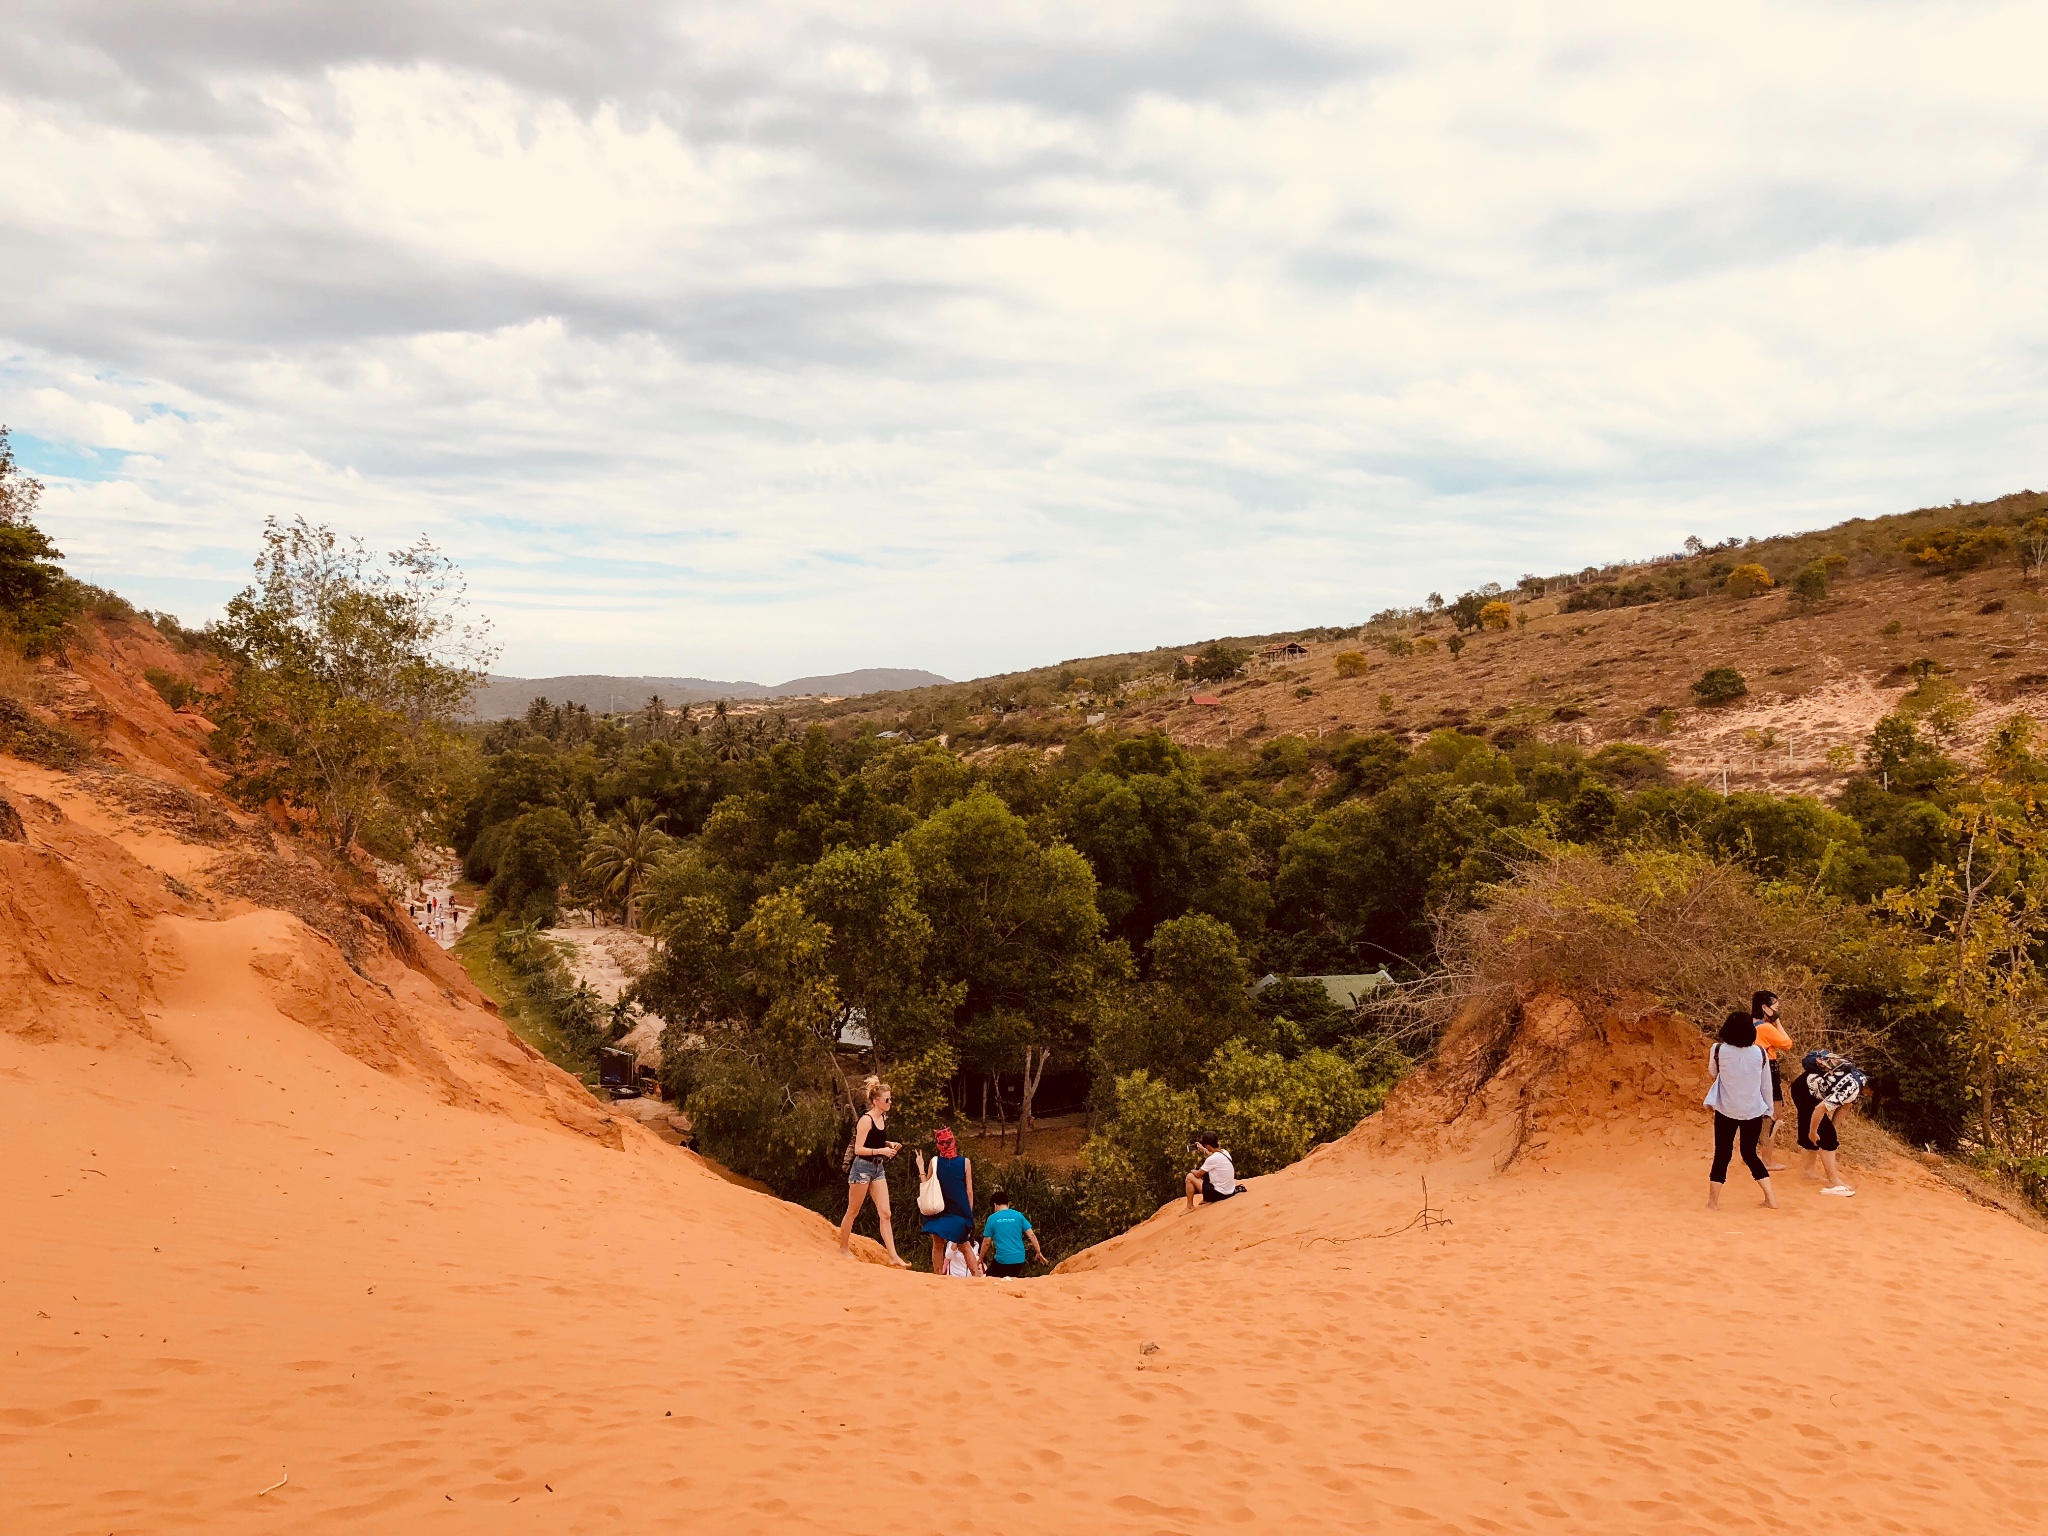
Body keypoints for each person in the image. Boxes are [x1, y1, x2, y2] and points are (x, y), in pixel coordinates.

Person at [1704, 1012, 1778, 1211]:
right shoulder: (1761, 1053)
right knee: (1749, 1153)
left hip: (1726, 1109)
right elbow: (1766, 1085)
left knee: (1722, 1154)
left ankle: (1713, 1203)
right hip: (1752, 1110)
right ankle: (1771, 1198)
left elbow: (1713, 1072)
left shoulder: (1717, 1049)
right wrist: (1769, 1109)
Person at [837, 1077, 910, 1267]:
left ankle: (893, 1255)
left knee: (885, 1213)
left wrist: (888, 1144)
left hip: (877, 1168)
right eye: (887, 1099)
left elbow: (875, 1141)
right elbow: (859, 1149)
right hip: (862, 1168)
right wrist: (882, 1151)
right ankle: (843, 1248)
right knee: (853, 1211)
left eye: (890, 1099)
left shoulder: (882, 1118)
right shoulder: (866, 1120)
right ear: (876, 1101)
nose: (890, 1102)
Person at [915, 1127, 983, 1276]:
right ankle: (977, 1276)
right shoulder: (965, 1162)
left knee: (937, 1244)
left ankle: (938, 1275)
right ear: (953, 1143)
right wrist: (969, 1213)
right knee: (964, 1244)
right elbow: (969, 1190)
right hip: (960, 1210)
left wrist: (920, 1166)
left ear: (939, 1145)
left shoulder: (935, 1162)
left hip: (939, 1209)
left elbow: (926, 1183)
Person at [1792, 1050, 1857, 1197]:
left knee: (1822, 1131)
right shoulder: (1856, 1084)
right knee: (1825, 1136)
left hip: (1803, 1087)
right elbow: (1821, 1108)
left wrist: (1830, 1129)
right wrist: (1818, 1131)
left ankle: (1808, 1172)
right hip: (1805, 1091)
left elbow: (1846, 1106)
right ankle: (1833, 1180)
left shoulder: (1856, 1078)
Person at [1752, 989, 1794, 1169]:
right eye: (1775, 1007)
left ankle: (1753, 1153)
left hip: (1753, 1069)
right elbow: (1787, 1043)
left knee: (1756, 1114)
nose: (1777, 1010)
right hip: (1768, 1068)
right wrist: (1777, 1021)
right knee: (1775, 1113)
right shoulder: (1766, 1027)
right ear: (1765, 1007)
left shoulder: (1748, 1024)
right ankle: (1767, 1159)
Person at [979, 1189, 1046, 1277]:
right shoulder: (1018, 1215)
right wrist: (1038, 1252)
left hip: (1003, 1260)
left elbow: (987, 1242)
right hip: (1019, 1259)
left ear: (994, 1205)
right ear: (1008, 1204)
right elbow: (1031, 1235)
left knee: (990, 1278)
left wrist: (980, 1259)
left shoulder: (992, 1218)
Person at [1183, 1131, 1239, 1212]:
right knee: (1209, 1172)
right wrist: (1204, 1150)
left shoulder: (1212, 1159)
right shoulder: (1225, 1152)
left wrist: (1192, 1170)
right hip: (1230, 1191)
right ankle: (1205, 1199)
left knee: (1189, 1177)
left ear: (1208, 1146)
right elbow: (1214, 1156)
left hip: (1219, 1194)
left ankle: (1189, 1206)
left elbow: (1198, 1174)